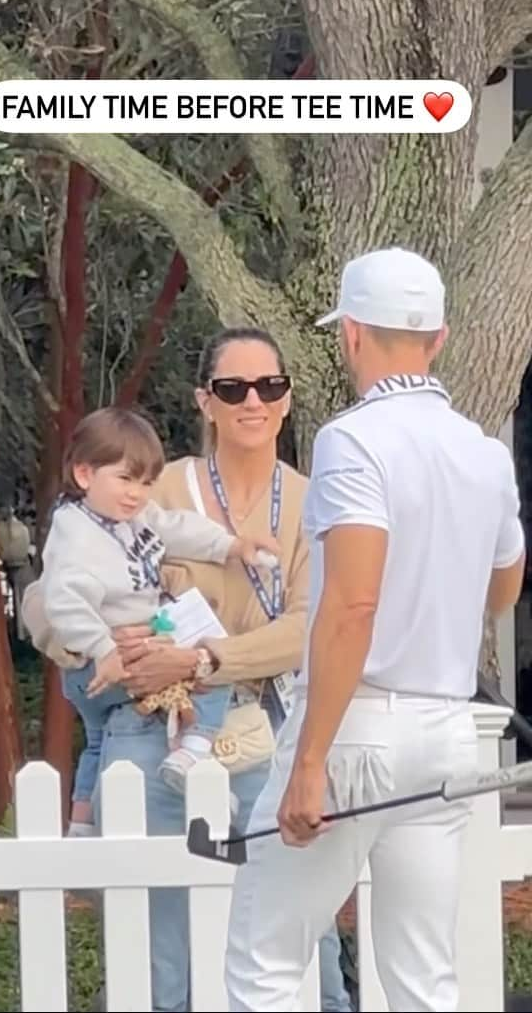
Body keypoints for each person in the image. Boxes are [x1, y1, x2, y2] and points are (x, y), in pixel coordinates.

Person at [223, 248, 527, 1013]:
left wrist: (308, 761)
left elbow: (351, 608)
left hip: (356, 723)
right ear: (440, 338)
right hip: (446, 727)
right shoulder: (486, 454)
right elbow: (502, 588)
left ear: (352, 333)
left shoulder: (352, 441)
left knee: (265, 962)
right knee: (424, 978)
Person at [23, 326, 352, 1013]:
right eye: (233, 388)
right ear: (205, 401)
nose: (253, 402)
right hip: (149, 724)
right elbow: (43, 604)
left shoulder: (312, 499)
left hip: (261, 722)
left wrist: (206, 656)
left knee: (297, 937)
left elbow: (310, 625)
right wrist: (106, 643)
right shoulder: (154, 483)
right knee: (158, 939)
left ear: (288, 399)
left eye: (271, 386)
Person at [37, 405, 278, 827]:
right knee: (208, 668)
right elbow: (63, 600)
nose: (137, 494)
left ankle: (81, 822)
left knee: (97, 739)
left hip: (98, 663)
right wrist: (103, 648)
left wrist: (231, 546)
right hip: (103, 661)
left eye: (146, 483)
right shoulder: (78, 533)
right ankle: (194, 752)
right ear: (84, 474)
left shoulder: (126, 518)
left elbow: (176, 527)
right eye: (125, 479)